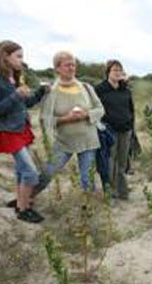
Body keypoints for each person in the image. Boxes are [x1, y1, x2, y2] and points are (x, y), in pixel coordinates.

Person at [0, 40, 49, 223]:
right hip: (9, 131)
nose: (22, 60)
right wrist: (15, 95)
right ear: (5, 57)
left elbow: (26, 103)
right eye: (18, 56)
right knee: (30, 172)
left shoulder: (16, 77)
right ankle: (23, 209)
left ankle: (20, 201)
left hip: (22, 128)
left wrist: (40, 92)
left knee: (22, 170)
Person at [40, 51, 105, 192]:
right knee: (47, 173)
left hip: (88, 140)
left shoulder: (87, 87)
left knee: (87, 179)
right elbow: (45, 119)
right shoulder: (51, 91)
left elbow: (100, 109)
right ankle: (26, 201)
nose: (71, 68)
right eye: (67, 65)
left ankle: (89, 210)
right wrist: (65, 119)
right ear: (57, 68)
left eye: (73, 65)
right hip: (64, 141)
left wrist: (86, 115)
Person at [95, 60, 134, 200]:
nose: (117, 73)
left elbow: (131, 110)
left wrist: (132, 128)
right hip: (108, 131)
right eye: (114, 70)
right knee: (110, 162)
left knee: (123, 163)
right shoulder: (100, 89)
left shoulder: (126, 90)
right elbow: (94, 108)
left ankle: (123, 192)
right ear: (108, 73)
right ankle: (110, 193)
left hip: (126, 130)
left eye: (120, 70)